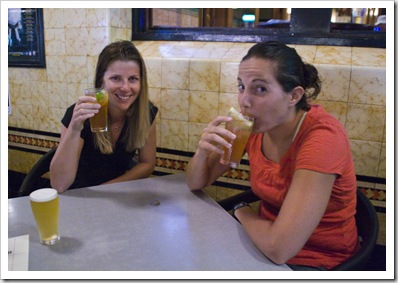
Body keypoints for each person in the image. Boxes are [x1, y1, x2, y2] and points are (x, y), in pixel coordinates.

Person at [186, 41, 358, 270]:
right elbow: (195, 182)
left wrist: (241, 211)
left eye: (260, 89)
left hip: (317, 260)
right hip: (261, 243)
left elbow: (280, 248)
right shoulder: (253, 128)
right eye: (241, 87)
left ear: (294, 96)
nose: (244, 101)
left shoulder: (322, 138)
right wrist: (202, 151)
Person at [50, 40, 158, 192]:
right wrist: (74, 129)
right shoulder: (81, 115)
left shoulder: (146, 112)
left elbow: (147, 164)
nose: (125, 88)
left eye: (133, 79)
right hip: (77, 197)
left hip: (114, 195)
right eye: (116, 78)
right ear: (102, 81)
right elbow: (59, 184)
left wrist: (107, 188)